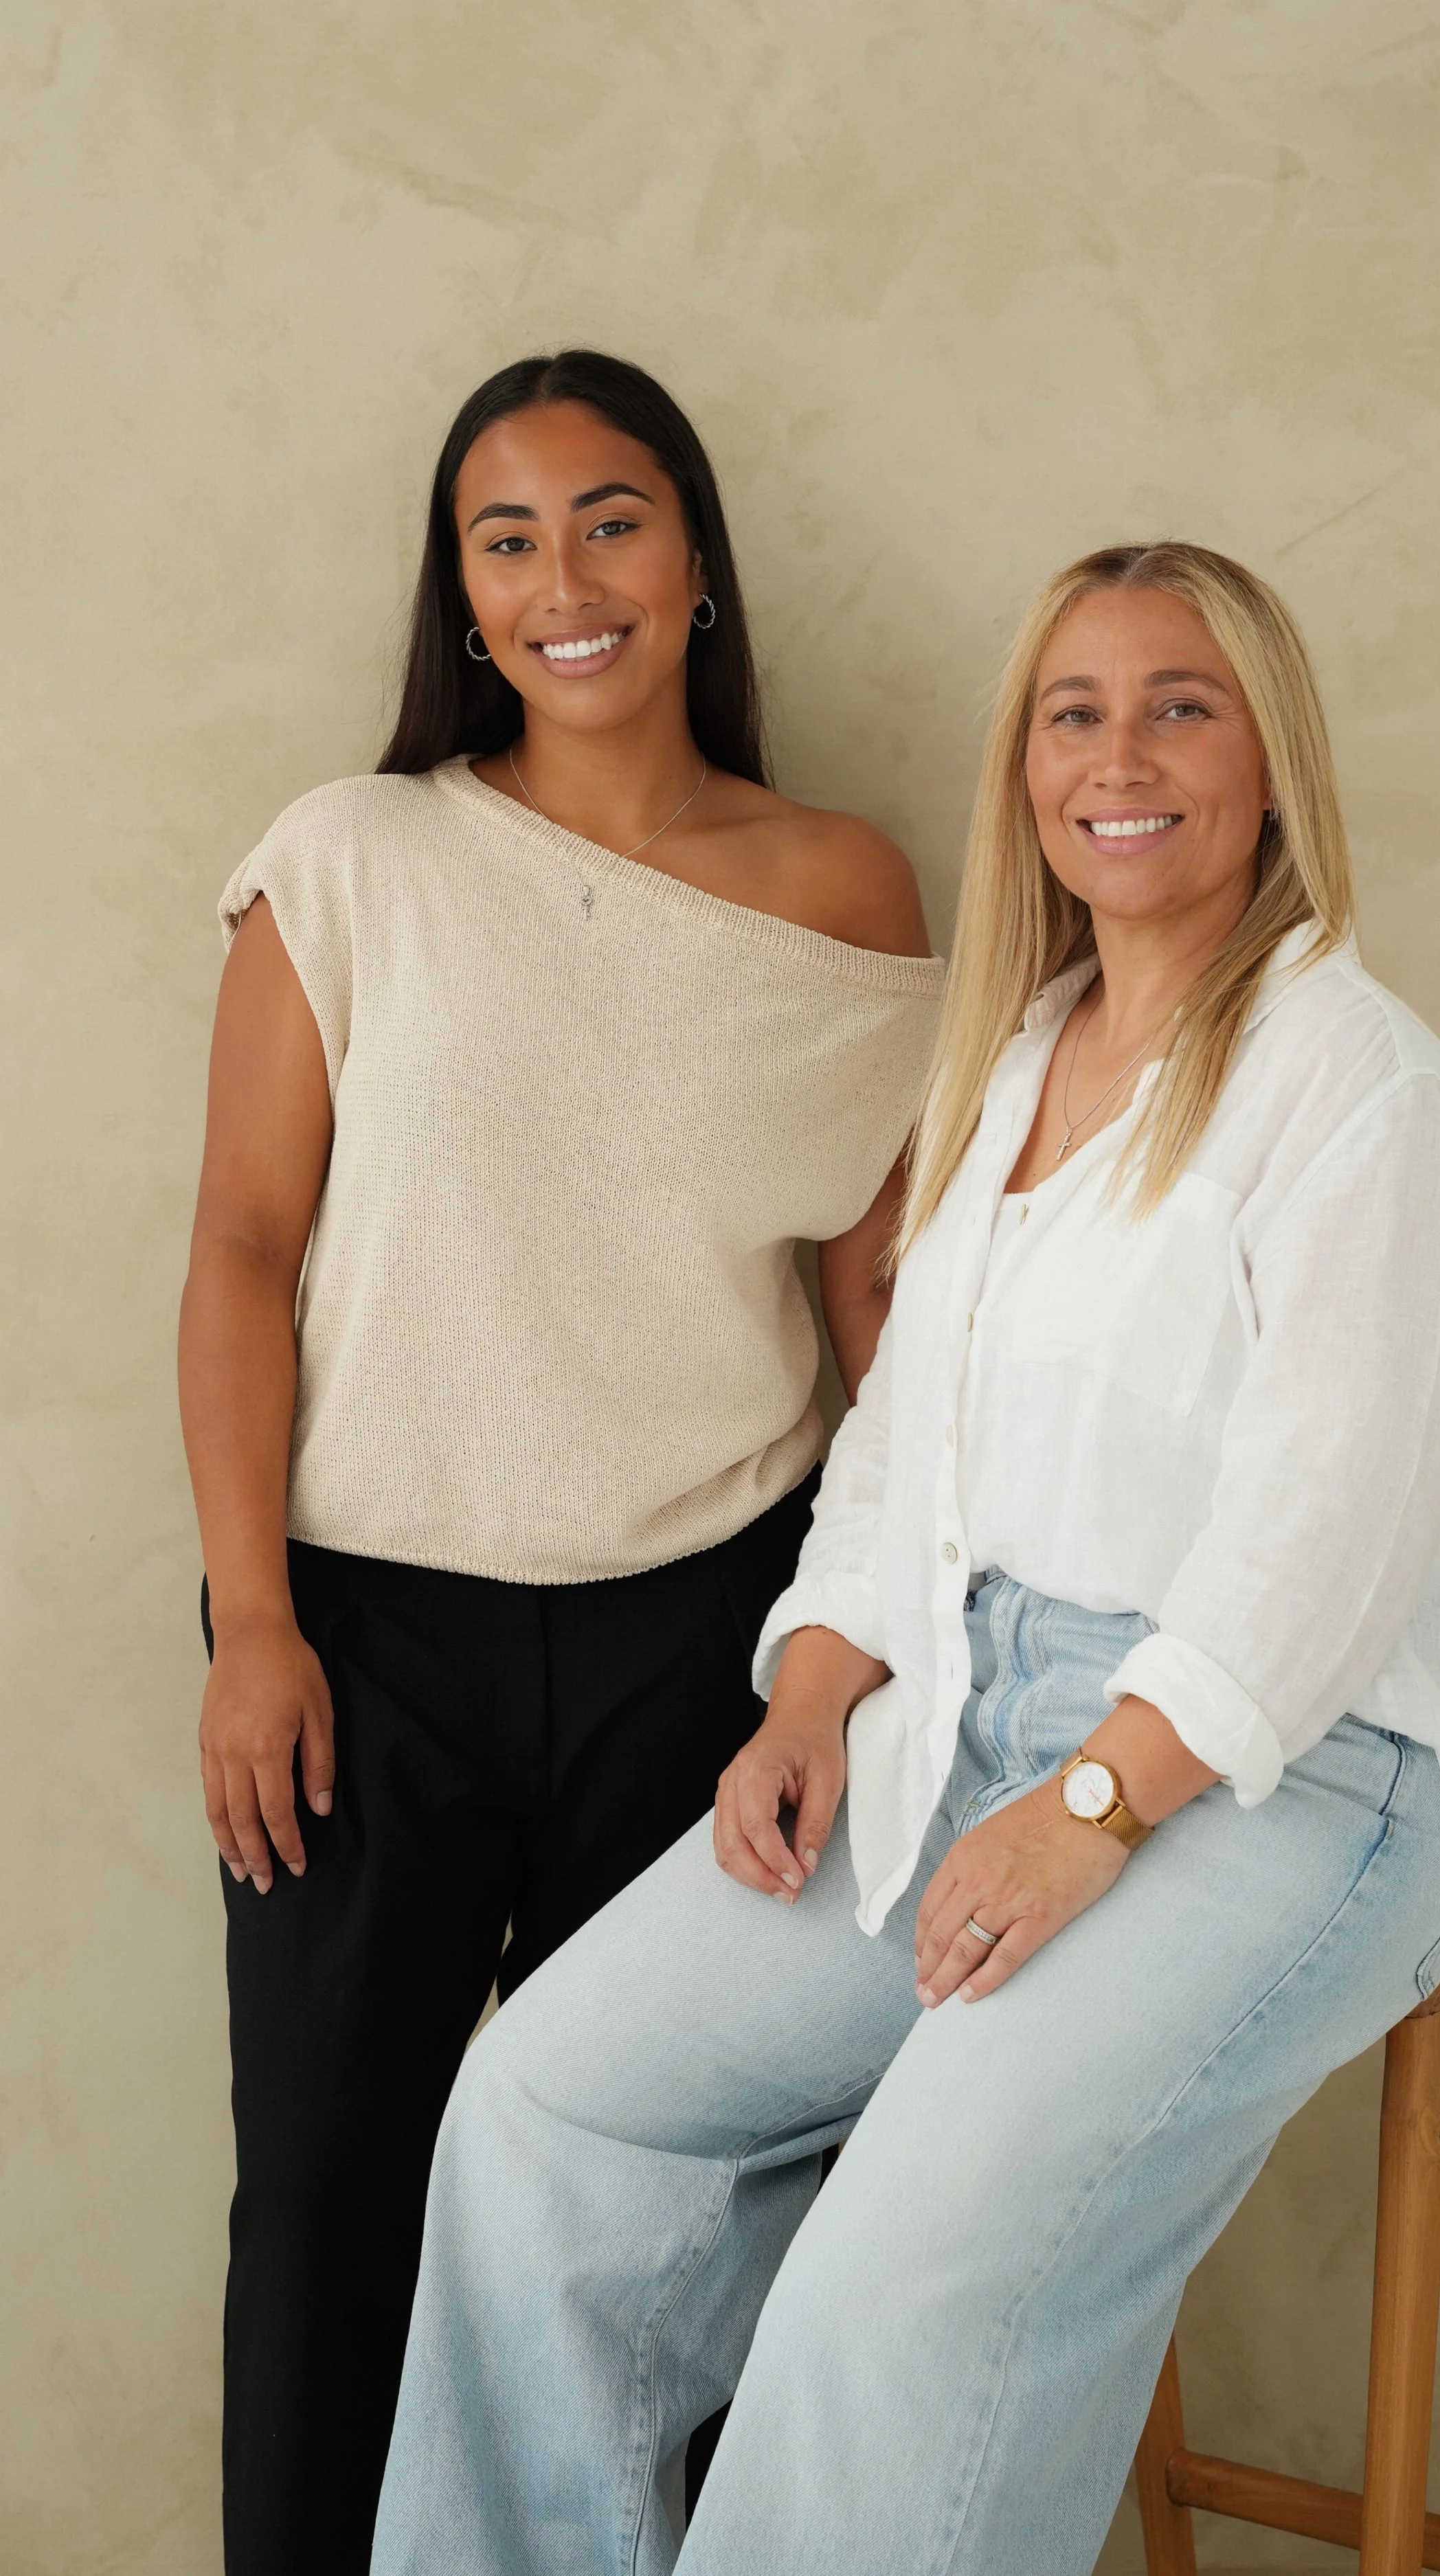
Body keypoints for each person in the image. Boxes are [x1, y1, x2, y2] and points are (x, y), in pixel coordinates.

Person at [369, 542, 1440, 2576]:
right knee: (545, 2118)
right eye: (1071, 711)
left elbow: (1327, 1525)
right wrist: (819, 1680)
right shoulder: (1018, 1058)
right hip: (958, 1713)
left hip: (1281, 1766)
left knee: (891, 2286)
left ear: (1271, 759)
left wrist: (1094, 1803)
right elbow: (909, 1435)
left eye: (1179, 704)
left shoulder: (1356, 1086)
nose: (1120, 755)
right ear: (1023, 765)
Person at [177, 347, 941, 2576]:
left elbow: (879, 1309)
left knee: (660, 2219)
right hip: (359, 1634)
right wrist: (249, 1621)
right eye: (501, 540)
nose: (561, 579)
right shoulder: (352, 857)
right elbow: (238, 1248)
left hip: (711, 1627)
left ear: (694, 557)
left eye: (609, 518)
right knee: (329, 2193)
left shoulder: (841, 881)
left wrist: (871, 1657)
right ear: (463, 597)